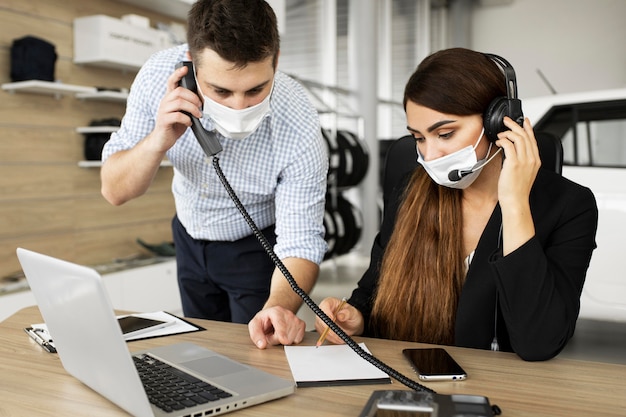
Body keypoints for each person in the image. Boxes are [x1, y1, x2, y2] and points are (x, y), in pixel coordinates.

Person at [314, 48, 598, 361]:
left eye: (445, 133)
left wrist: (515, 203)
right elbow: (374, 288)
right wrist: (356, 313)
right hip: (405, 376)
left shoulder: (570, 206)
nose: (429, 155)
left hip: (501, 390)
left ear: (499, 123)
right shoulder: (410, 190)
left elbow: (539, 342)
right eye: (419, 138)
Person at [100, 0, 328, 349]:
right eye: (221, 90)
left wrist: (279, 308)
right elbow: (114, 191)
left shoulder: (299, 122)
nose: (239, 107)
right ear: (191, 64)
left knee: (257, 357)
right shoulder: (157, 76)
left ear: (276, 61)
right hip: (189, 237)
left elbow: (301, 241)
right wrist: (158, 140)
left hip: (258, 249)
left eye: (255, 90)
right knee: (203, 352)